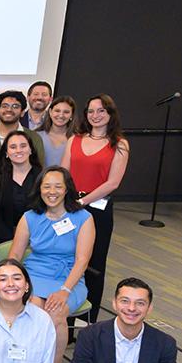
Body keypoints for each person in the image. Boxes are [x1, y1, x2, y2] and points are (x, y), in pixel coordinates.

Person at [10, 166, 95, 363]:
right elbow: (15, 255)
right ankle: (28, 362)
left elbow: (82, 261)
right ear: (39, 189)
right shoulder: (30, 217)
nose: (52, 191)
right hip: (35, 272)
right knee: (34, 307)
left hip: (69, 277)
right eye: (46, 186)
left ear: (67, 189)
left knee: (56, 312)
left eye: (58, 186)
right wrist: (14, 283)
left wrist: (65, 290)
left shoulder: (83, 218)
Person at [62, 94, 129, 323]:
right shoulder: (75, 139)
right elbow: (64, 173)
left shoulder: (119, 144)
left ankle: (85, 322)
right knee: (69, 259)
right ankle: (65, 318)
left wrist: (83, 201)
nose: (95, 115)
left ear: (110, 114)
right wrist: (69, 200)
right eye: (91, 111)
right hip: (70, 205)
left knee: (93, 264)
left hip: (97, 208)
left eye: (101, 111)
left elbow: (113, 182)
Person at [0, 131, 42, 243]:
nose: (18, 150)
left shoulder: (43, 177)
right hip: (3, 240)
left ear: (31, 149)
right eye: (13, 147)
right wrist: (11, 239)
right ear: (6, 152)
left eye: (23, 146)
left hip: (38, 238)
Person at [0, 90, 46, 164]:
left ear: (22, 112)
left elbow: (39, 169)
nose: (9, 110)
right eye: (5, 106)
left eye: (15, 106)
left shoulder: (34, 138)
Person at [40, 94, 75, 168]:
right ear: (50, 112)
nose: (61, 115)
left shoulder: (77, 140)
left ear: (72, 115)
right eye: (57, 111)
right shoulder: (37, 136)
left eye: (66, 112)